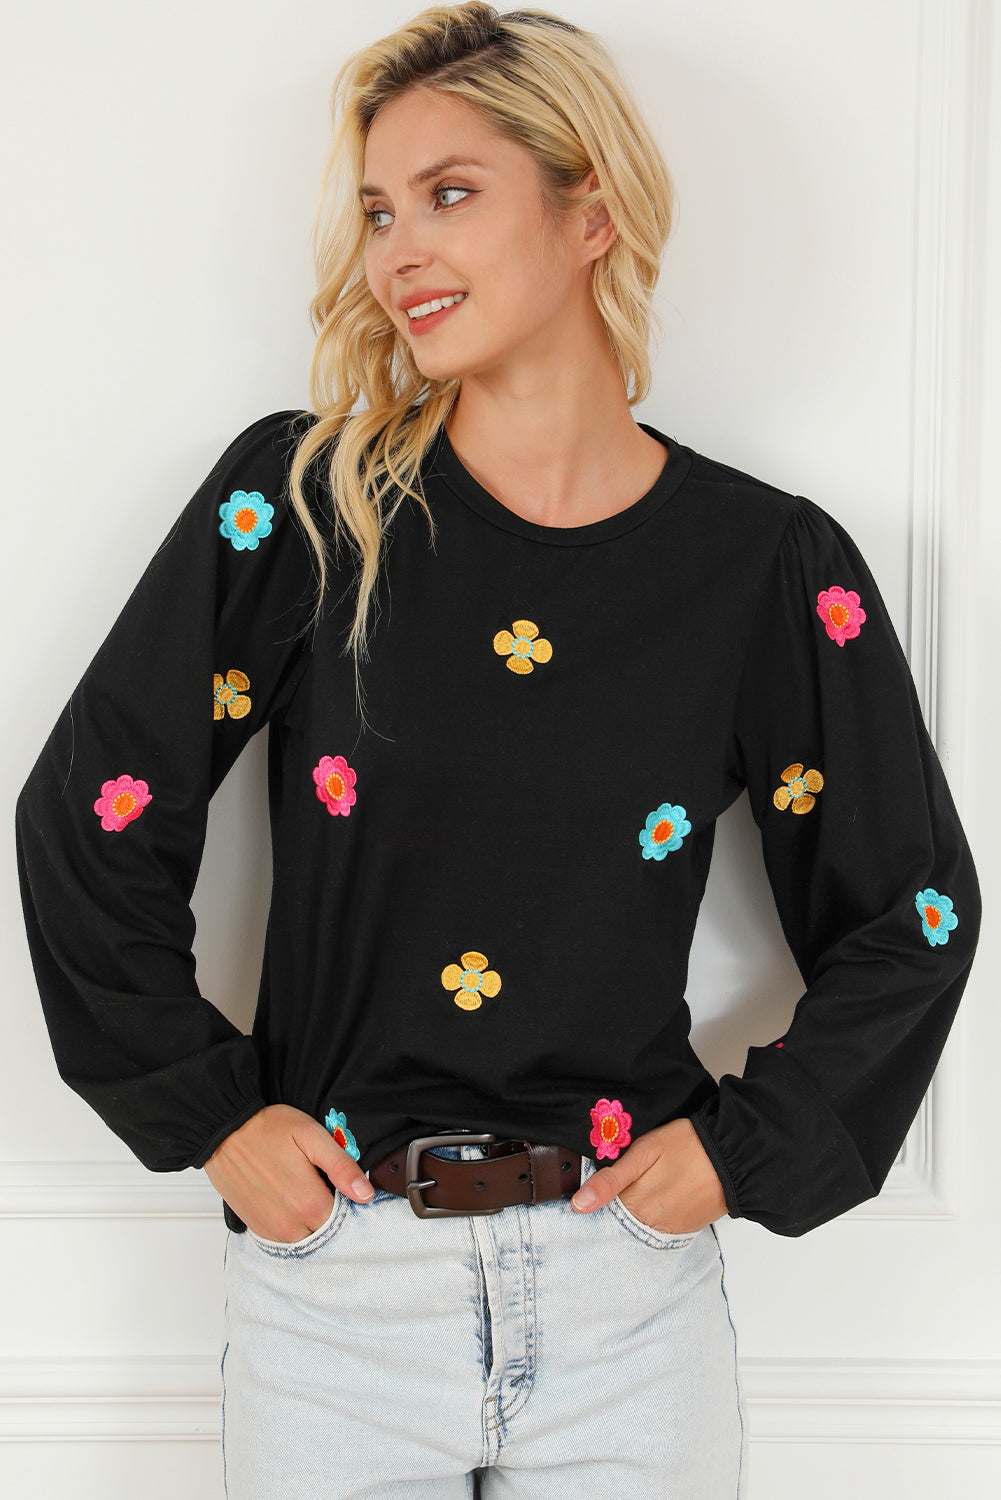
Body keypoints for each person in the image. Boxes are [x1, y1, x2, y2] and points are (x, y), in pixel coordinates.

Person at [14, 4, 980, 1497]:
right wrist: (208, 1116)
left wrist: (746, 1150)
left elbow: (910, 911)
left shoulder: (761, 567)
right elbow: (91, 819)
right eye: (379, 211)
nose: (399, 251)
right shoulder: (308, 507)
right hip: (338, 1289)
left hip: (629, 1300)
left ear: (591, 211)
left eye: (450, 195)